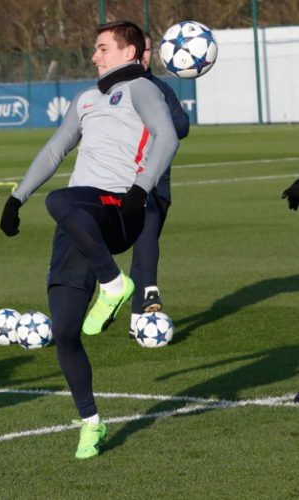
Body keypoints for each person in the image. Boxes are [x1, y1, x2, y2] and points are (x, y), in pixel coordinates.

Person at [0, 21, 178, 459]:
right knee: (63, 332)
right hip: (79, 221)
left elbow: (168, 135)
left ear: (130, 51)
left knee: (61, 200)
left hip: (118, 208)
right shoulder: (86, 98)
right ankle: (91, 424)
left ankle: (115, 285)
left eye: (102, 48)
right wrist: (16, 197)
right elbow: (55, 149)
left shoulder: (141, 87)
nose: (94, 56)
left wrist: (141, 188)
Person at [128, 33, 190, 337]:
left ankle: (135, 318)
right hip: (126, 180)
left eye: (147, 49)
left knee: (144, 248)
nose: (142, 54)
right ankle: (148, 292)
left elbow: (182, 127)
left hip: (159, 181)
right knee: (143, 228)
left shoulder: (161, 88)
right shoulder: (115, 89)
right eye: (137, 49)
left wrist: (157, 119)